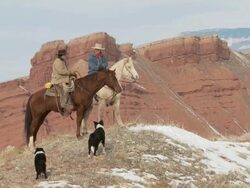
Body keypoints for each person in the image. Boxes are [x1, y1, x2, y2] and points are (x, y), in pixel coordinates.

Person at [51, 49, 76, 116]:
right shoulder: (58, 62)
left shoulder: (62, 61)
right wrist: (70, 72)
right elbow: (61, 72)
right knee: (66, 89)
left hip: (63, 78)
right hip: (59, 80)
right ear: (61, 55)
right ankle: (64, 104)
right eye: (65, 55)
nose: (66, 56)